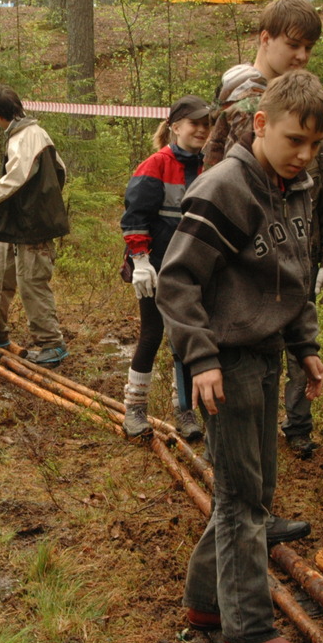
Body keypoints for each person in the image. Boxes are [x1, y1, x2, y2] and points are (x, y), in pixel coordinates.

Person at [157, 70, 323, 643]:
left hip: (264, 356)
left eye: (315, 145)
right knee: (241, 499)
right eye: (293, 141)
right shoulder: (224, 187)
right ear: (260, 125)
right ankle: (247, 626)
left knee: (250, 491)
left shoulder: (297, 187)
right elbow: (177, 283)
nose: (303, 156)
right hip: (224, 362)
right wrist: (201, 358)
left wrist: (304, 344)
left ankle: (207, 602)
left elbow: (294, 273)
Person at [203, 0, 323, 459]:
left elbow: (320, 188)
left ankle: (254, 494)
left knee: (265, 384)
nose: (302, 57)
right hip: (248, 269)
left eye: (310, 49)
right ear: (265, 39)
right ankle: (237, 496)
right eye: (294, 45)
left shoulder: (289, 103)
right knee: (242, 394)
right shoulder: (250, 105)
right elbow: (238, 191)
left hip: (284, 259)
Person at [119, 94, 211, 441]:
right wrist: (140, 260)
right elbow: (134, 216)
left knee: (187, 338)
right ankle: (135, 409)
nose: (201, 130)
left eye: (206, 124)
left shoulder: (209, 166)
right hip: (154, 268)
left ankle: (184, 410)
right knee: (152, 333)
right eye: (194, 124)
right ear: (175, 127)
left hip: (192, 269)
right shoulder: (155, 165)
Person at [0, 84, 70, 367]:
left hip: (34, 225)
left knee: (32, 282)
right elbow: (62, 171)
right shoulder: (24, 134)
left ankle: (52, 344)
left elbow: (16, 176)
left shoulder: (27, 136)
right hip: (12, 221)